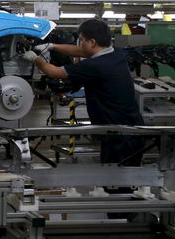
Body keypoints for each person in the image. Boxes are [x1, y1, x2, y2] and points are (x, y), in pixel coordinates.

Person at [22, 18, 145, 167]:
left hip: (120, 134)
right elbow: (80, 51)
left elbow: (53, 72)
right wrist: (52, 46)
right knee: (122, 178)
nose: (79, 44)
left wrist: (35, 59)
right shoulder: (115, 54)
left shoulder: (95, 65)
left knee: (117, 181)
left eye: (81, 40)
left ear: (92, 42)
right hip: (129, 129)